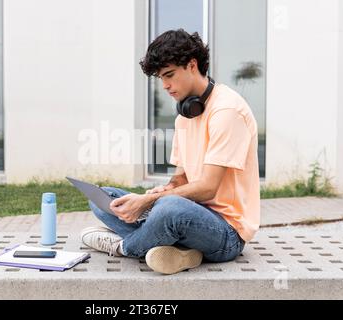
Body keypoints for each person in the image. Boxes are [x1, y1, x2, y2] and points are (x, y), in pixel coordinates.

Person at [80, 29, 260, 275]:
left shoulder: (227, 111)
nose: (165, 85)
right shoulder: (185, 115)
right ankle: (181, 251)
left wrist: (151, 201)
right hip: (190, 214)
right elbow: (181, 178)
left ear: (192, 65)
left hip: (226, 233)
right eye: (160, 78)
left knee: (169, 209)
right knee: (103, 198)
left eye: (169, 75)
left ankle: (125, 246)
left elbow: (208, 187)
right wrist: (163, 190)